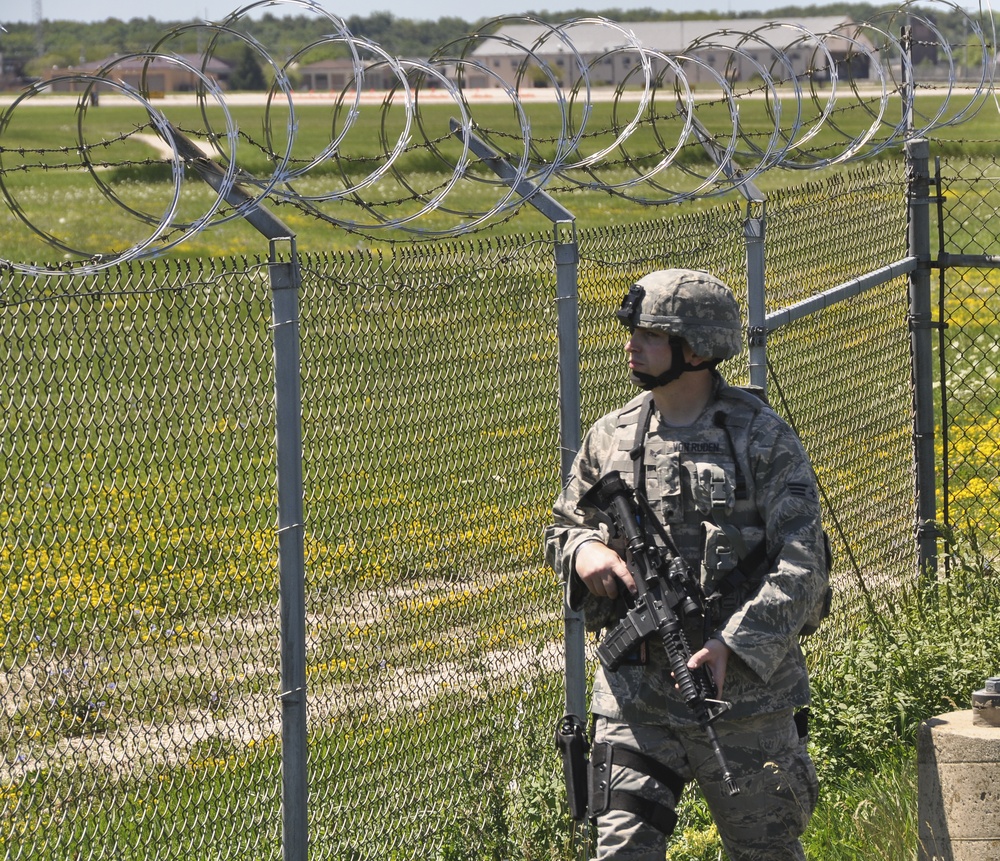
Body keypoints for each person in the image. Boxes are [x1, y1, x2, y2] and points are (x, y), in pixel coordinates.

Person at [544, 269, 830, 861]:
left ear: (695, 349)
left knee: (765, 851)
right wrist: (585, 552)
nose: (632, 344)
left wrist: (734, 644)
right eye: (632, 331)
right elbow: (564, 528)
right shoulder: (612, 436)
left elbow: (803, 562)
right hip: (636, 696)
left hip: (743, 698)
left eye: (650, 334)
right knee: (621, 851)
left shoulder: (760, 438)